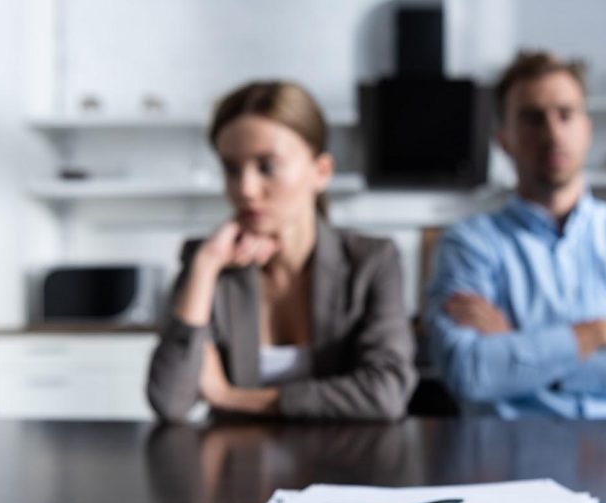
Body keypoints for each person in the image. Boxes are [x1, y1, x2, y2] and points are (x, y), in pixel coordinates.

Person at [425, 51, 606, 418]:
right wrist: (596, 336)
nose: (552, 133)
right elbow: (471, 372)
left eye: (566, 114)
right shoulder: (468, 244)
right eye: (532, 118)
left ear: (587, 128)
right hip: (511, 458)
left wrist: (517, 353)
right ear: (504, 140)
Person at [147, 81, 416, 422]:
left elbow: (386, 394)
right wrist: (205, 267)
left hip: (342, 465)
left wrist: (231, 397)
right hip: (238, 468)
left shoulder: (371, 261)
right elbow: (169, 401)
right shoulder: (209, 262)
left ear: (321, 172)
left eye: (267, 167)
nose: (245, 189)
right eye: (231, 169)